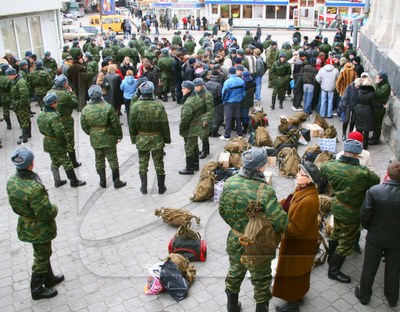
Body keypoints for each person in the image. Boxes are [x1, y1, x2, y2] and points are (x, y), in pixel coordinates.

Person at [219, 147, 287, 312]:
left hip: (235, 238)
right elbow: (280, 222)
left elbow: (222, 210)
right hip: (257, 244)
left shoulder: (230, 182)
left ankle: (232, 307)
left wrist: (237, 225)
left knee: (235, 272)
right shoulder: (265, 191)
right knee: (262, 281)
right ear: (260, 167)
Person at [7, 147, 64, 300]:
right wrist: (55, 209)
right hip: (39, 227)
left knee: (43, 252)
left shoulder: (12, 181)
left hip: (26, 223)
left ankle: (49, 278)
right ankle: (36, 289)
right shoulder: (34, 188)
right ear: (31, 164)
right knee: (41, 256)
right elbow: (45, 212)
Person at [320, 139, 380, 284]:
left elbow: (322, 170)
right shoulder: (362, 172)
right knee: (346, 242)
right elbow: (376, 181)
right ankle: (333, 272)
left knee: (335, 233)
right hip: (352, 211)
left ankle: (330, 258)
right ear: (357, 154)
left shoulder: (330, 165)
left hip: (337, 205)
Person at [273, 161, 321, 312]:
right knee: (299, 272)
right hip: (300, 243)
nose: (297, 174)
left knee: (293, 273)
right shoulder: (303, 189)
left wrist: (279, 220)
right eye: (299, 171)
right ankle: (298, 295)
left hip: (299, 244)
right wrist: (275, 205)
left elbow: (296, 230)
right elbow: (290, 201)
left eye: (301, 174)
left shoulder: (308, 200)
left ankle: (293, 304)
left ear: (309, 179)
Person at [355, 162, 400, 308]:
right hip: (397, 240)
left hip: (375, 237)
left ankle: (364, 295)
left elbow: (365, 215)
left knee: (369, 267)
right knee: (394, 269)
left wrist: (371, 228)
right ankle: (392, 298)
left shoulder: (374, 191)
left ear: (387, 174)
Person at [81, 85, 126, 189]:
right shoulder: (108, 107)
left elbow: (84, 126)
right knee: (113, 159)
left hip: (95, 138)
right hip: (109, 137)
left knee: (99, 159)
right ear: (100, 94)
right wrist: (119, 135)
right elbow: (115, 123)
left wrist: (92, 133)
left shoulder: (85, 110)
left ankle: (102, 181)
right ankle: (116, 181)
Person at [129, 81, 171, 194]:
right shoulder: (159, 105)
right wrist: (167, 139)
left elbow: (131, 125)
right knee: (159, 163)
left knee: (143, 163)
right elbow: (164, 124)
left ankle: (144, 188)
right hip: (157, 138)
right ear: (152, 91)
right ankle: (161, 188)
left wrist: (134, 139)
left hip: (142, 138)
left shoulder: (135, 106)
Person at [37, 93, 86, 188]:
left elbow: (40, 130)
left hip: (47, 141)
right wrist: (65, 143)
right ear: (53, 104)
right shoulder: (54, 117)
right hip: (56, 143)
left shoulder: (42, 114)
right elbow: (59, 133)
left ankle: (57, 181)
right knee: (66, 161)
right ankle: (74, 181)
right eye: (56, 102)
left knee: (54, 161)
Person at [47, 74, 81, 168]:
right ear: (64, 84)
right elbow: (74, 104)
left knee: (59, 139)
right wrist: (71, 92)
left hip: (54, 119)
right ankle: (73, 162)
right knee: (69, 140)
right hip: (66, 119)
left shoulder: (50, 92)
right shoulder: (65, 94)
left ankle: (61, 160)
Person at [179, 81, 204, 175]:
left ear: (189, 89)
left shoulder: (189, 102)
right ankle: (195, 164)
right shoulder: (196, 97)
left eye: (183, 88)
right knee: (194, 145)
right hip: (196, 125)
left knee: (189, 147)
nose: (182, 90)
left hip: (190, 127)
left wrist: (182, 129)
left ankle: (189, 168)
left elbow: (185, 119)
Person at [7, 68, 31, 144]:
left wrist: (20, 105)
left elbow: (24, 95)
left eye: (9, 75)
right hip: (19, 104)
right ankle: (28, 134)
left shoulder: (20, 82)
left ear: (14, 75)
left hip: (21, 105)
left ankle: (24, 138)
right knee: (25, 119)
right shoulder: (15, 81)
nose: (8, 77)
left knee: (23, 120)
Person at [220, 66, 245, 140]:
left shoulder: (227, 82)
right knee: (238, 118)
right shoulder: (241, 80)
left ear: (229, 73)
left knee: (228, 119)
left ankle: (227, 135)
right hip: (238, 101)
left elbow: (223, 93)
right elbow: (243, 92)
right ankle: (239, 134)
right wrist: (241, 98)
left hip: (229, 102)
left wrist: (224, 101)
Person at [370, 71, 391, 145]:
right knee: (375, 124)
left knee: (378, 125)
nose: (376, 79)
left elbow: (378, 93)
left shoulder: (386, 86)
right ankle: (373, 137)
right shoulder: (381, 84)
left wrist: (376, 83)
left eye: (378, 78)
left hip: (380, 108)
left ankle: (375, 140)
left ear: (381, 79)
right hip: (377, 106)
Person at [355, 76, 376, 150]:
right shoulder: (372, 93)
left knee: (359, 128)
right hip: (368, 111)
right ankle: (364, 147)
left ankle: (357, 144)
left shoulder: (359, 91)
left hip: (359, 110)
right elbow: (373, 105)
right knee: (366, 130)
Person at [0, 63, 12, 130]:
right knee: (16, 110)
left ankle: (8, 125)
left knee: (5, 110)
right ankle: (21, 124)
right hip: (10, 95)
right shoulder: (9, 77)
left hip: (2, 96)